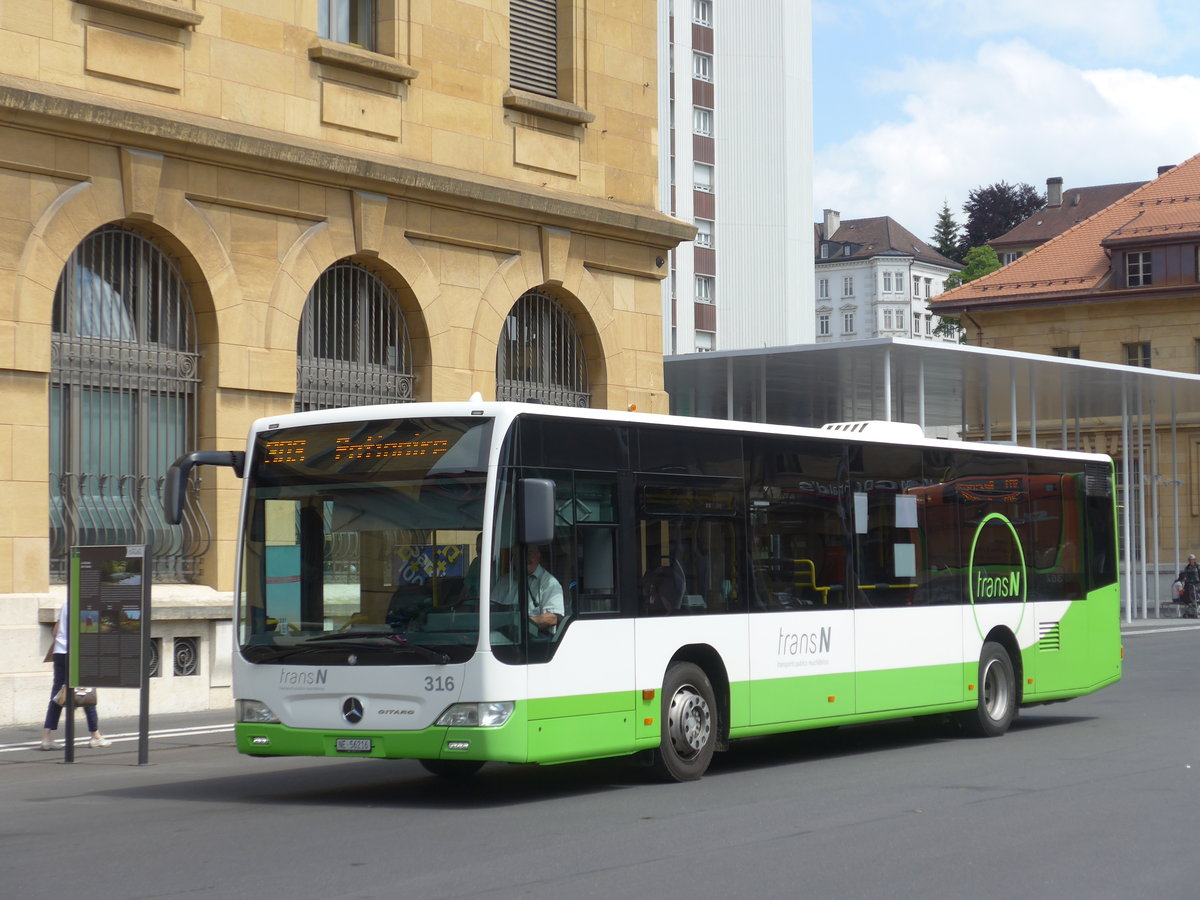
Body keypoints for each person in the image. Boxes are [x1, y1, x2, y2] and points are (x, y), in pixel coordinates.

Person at [41, 600, 111, 750]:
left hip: (60, 653)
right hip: (78, 653)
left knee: (58, 694)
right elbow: (89, 631)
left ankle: (46, 737)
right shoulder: (89, 604)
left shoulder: (66, 603)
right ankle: (95, 735)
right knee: (86, 691)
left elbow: (55, 632)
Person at [493, 546, 564, 635]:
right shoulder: (503, 581)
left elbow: (552, 618)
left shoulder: (549, 583)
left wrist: (520, 623)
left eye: (529, 553)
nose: (524, 558)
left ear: (538, 556)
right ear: (514, 557)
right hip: (500, 637)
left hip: (533, 641)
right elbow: (491, 610)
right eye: (519, 554)